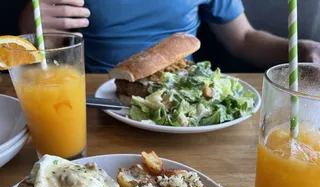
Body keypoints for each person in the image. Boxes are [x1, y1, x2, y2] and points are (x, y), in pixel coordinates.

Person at [18, 0, 320, 73]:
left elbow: (243, 39)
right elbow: (48, 56)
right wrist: (31, 29)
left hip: (183, 102)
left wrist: (301, 49)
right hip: (97, 101)